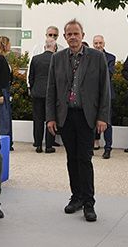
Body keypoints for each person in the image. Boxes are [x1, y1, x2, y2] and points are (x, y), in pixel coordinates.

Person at [46, 20, 110, 222]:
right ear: (64, 37)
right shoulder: (57, 59)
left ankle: (89, 203)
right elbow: (51, 90)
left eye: (76, 33)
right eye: (69, 34)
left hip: (86, 116)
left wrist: (102, 117)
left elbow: (104, 90)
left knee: (85, 159)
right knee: (71, 159)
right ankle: (76, 197)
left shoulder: (97, 58)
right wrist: (50, 118)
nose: (73, 37)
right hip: (66, 116)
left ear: (83, 35)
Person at [28, 30, 57, 153]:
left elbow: (31, 76)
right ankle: (49, 146)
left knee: (38, 119)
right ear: (54, 48)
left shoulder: (35, 59)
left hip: (37, 92)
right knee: (50, 118)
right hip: (51, 94)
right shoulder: (57, 59)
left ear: (45, 47)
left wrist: (32, 88)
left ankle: (38, 144)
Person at [91, 34, 116, 157]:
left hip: (106, 95)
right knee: (90, 122)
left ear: (104, 44)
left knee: (107, 122)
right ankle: (90, 147)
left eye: (100, 43)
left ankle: (108, 148)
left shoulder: (110, 58)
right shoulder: (88, 58)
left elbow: (109, 73)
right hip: (91, 96)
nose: (98, 46)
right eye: (96, 43)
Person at [0, 36, 15, 135]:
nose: (10, 46)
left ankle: (7, 140)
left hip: (5, 90)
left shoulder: (3, 58)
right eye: (9, 44)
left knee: (5, 116)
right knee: (1, 117)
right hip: (0, 91)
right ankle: (1, 138)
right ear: (5, 45)